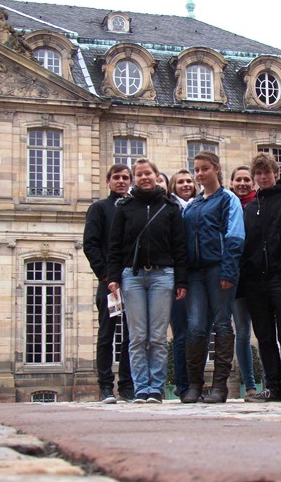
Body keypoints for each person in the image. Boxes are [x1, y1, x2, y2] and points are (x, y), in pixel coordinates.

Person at [107, 158, 188, 403]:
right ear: (135, 179)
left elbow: (179, 246)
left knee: (158, 337)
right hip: (132, 276)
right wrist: (113, 277)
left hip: (163, 275)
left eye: (148, 173)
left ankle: (156, 388)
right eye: (139, 174)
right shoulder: (125, 207)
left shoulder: (170, 207)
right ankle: (141, 387)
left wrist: (181, 281)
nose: (144, 177)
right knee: (137, 336)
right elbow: (115, 245)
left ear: (156, 175)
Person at [181, 152, 244, 403]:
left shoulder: (228, 199)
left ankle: (220, 386)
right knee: (195, 326)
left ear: (216, 169)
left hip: (219, 269)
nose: (199, 174)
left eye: (204, 168)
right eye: (196, 169)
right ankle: (195, 385)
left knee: (222, 324)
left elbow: (235, 236)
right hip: (195, 273)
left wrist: (229, 270)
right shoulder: (192, 205)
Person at [242, 153, 281, 403]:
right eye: (258, 173)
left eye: (267, 172)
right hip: (256, 281)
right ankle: (273, 385)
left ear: (275, 174)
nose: (263, 177)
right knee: (265, 336)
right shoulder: (250, 207)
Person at [83, 164, 135, 403]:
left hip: (132, 280)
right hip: (109, 282)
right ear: (108, 181)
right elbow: (91, 244)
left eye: (125, 177)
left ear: (130, 181)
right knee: (107, 334)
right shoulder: (99, 208)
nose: (121, 181)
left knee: (131, 335)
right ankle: (105, 386)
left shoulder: (133, 207)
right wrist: (105, 275)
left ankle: (126, 385)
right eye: (116, 177)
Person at [166, 169, 198, 399]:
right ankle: (183, 385)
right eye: (180, 182)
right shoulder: (169, 208)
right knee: (181, 332)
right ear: (173, 187)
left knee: (199, 331)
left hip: (199, 273)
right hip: (177, 275)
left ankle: (196, 383)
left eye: (189, 181)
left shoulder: (201, 205)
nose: (186, 185)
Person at [229, 166, 258, 399]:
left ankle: (272, 382)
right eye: (238, 179)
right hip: (236, 276)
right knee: (242, 331)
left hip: (258, 274)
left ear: (253, 183)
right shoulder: (228, 205)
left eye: (246, 179)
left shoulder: (259, 204)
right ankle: (249, 386)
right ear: (231, 183)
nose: (242, 183)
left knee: (266, 331)